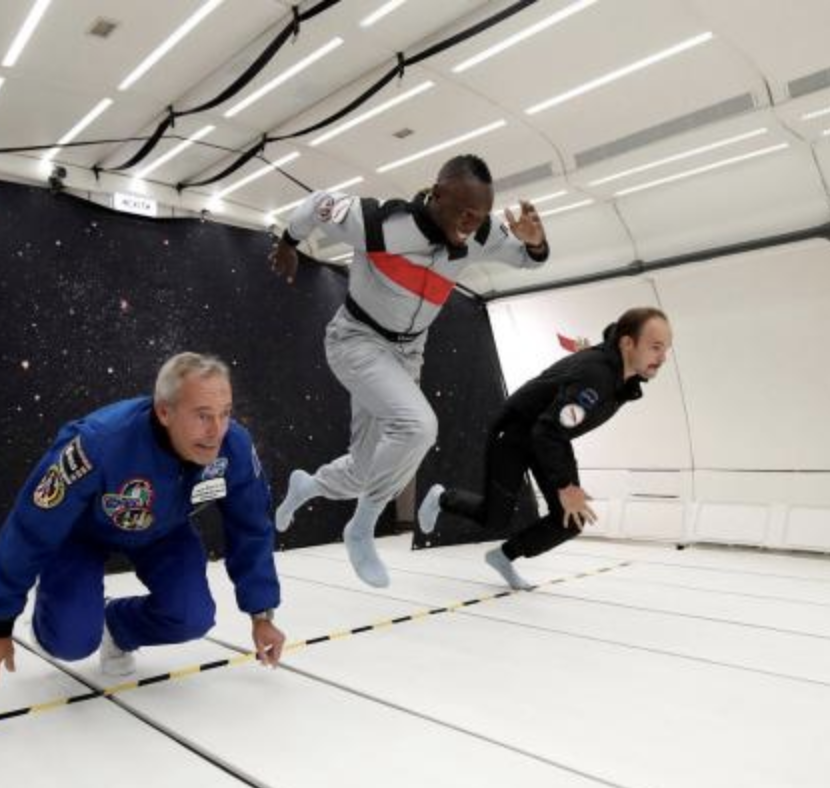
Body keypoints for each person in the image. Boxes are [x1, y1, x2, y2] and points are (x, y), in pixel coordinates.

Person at [269, 154, 549, 588]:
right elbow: (316, 204)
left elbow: (530, 261)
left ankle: (306, 487)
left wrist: (535, 243)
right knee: (418, 427)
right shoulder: (378, 222)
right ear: (437, 195)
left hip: (407, 354)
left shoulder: (481, 231)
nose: (471, 224)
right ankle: (361, 527)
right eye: (464, 212)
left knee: (364, 470)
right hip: (356, 339)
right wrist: (289, 243)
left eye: (480, 216)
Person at [0, 353, 285, 679]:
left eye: (225, 413)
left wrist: (261, 614)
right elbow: (32, 524)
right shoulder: (98, 443)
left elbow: (251, 527)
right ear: (164, 411)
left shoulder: (233, 446)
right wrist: (2, 615)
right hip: (81, 534)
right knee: (69, 640)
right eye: (203, 416)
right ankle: (54, 618)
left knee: (192, 616)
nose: (216, 431)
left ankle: (116, 626)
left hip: (164, 531)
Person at [418, 308, 672, 589]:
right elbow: (548, 429)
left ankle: (503, 556)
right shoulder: (598, 376)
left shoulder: (619, 373)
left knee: (571, 520)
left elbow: (555, 423)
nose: (663, 358)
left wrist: (584, 356)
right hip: (516, 432)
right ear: (627, 343)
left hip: (549, 435)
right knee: (495, 519)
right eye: (655, 347)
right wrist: (565, 485)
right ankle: (442, 498)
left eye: (666, 349)